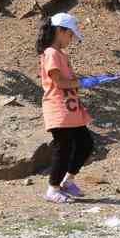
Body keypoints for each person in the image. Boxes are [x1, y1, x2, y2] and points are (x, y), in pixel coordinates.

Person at [36, 12, 95, 203]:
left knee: (85, 144)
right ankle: (53, 189)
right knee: (64, 149)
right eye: (70, 35)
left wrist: (85, 82)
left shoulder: (61, 54)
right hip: (58, 109)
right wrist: (83, 82)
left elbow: (68, 81)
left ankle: (67, 181)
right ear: (60, 31)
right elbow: (59, 82)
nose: (71, 39)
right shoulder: (51, 53)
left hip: (71, 110)